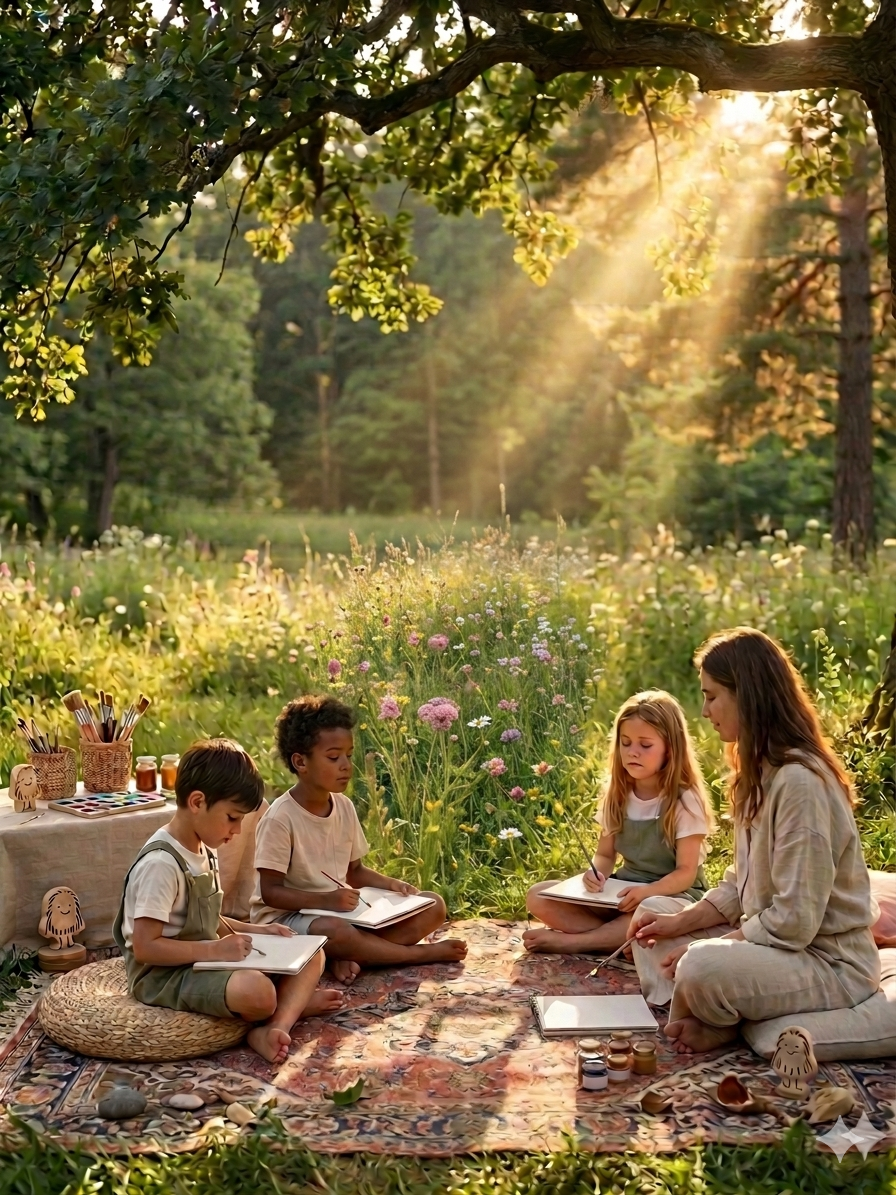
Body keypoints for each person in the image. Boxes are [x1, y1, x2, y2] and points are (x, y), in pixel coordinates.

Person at [633, 627, 881, 1054]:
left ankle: (722, 1017)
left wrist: (710, 945)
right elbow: (738, 884)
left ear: (745, 695)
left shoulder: (801, 784)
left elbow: (793, 921)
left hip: (826, 963)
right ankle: (724, 1010)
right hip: (774, 946)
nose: (705, 709)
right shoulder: (759, 770)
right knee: (653, 913)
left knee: (702, 965)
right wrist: (682, 923)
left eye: (712, 696)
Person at [114, 738, 343, 1066]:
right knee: (258, 992)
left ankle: (275, 1025)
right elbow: (145, 948)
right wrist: (214, 951)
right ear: (197, 802)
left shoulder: (202, 846)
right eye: (233, 818)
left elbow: (208, 919)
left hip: (204, 958)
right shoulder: (161, 865)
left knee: (312, 954)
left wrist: (256, 930)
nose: (237, 830)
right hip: (163, 975)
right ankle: (288, 1005)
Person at [250, 694, 467, 981]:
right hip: (288, 922)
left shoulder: (343, 806)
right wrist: (327, 901)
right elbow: (271, 893)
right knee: (336, 932)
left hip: (342, 913)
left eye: (349, 756)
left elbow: (355, 872)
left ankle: (349, 954)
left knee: (432, 905)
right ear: (301, 762)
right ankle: (415, 955)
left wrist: (393, 885)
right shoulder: (281, 818)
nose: (346, 765)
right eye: (333, 757)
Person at [523, 690, 714, 955]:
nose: (633, 752)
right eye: (625, 743)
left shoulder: (684, 800)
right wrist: (595, 875)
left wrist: (648, 892)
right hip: (621, 893)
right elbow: (604, 855)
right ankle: (617, 940)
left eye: (645, 745)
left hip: (669, 896)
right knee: (539, 895)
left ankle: (576, 943)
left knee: (648, 915)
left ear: (670, 749)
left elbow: (685, 872)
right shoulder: (617, 794)